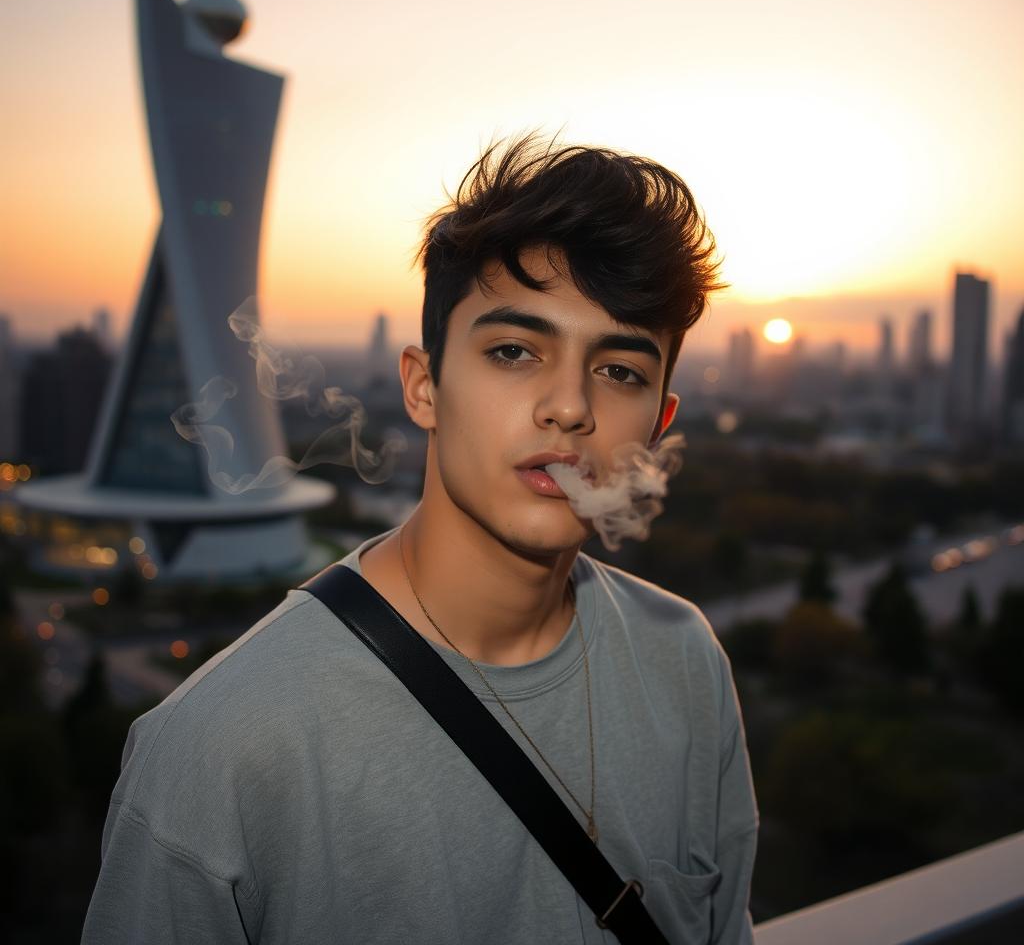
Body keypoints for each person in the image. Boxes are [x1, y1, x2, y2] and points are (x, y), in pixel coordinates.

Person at [82, 135, 758, 944]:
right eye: (514, 351)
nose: (569, 407)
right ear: (423, 386)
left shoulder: (684, 661)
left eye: (620, 371)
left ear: (659, 422)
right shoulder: (220, 750)